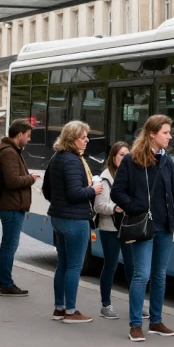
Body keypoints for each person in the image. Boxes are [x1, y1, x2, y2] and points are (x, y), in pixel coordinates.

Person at [112, 114, 174, 342]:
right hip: (143, 226)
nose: (170, 136)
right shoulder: (132, 160)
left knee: (159, 276)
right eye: (165, 132)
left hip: (165, 226)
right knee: (141, 274)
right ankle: (135, 324)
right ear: (152, 134)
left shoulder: (167, 161)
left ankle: (155, 321)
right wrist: (136, 207)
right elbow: (117, 192)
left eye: (169, 132)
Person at [41, 120, 104, 324]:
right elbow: (75, 193)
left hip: (58, 217)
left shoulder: (57, 158)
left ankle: (59, 308)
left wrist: (59, 203)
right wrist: (93, 190)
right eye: (83, 137)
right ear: (71, 139)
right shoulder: (72, 161)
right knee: (74, 266)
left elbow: (47, 190)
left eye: (87, 136)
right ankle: (71, 311)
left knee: (63, 264)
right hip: (75, 219)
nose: (87, 140)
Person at [93, 141, 147, 320]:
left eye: (126, 154)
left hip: (129, 227)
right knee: (111, 265)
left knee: (132, 266)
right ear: (113, 157)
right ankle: (106, 304)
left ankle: (136, 305)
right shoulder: (104, 177)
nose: (124, 158)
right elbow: (99, 206)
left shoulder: (130, 175)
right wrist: (115, 208)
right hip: (109, 228)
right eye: (121, 155)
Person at [0, 119, 40, 297]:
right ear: (19, 135)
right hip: (11, 206)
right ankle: (5, 284)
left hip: (12, 205)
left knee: (8, 244)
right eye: (27, 136)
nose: (28, 140)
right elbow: (12, 181)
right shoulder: (9, 153)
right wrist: (31, 178)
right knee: (9, 245)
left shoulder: (10, 151)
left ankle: (3, 283)